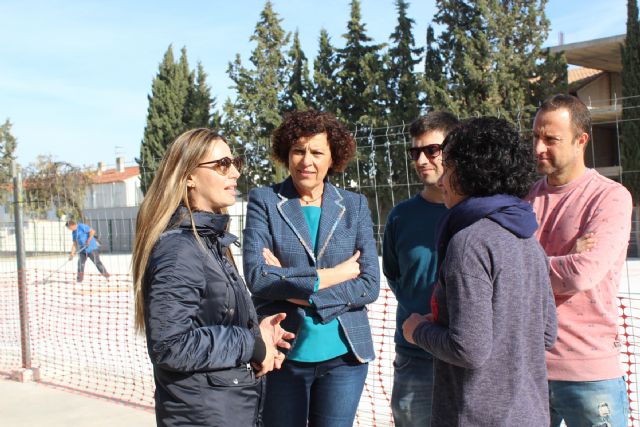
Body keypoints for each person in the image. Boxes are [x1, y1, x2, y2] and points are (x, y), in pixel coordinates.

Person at [131, 128, 294, 427]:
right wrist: (251, 344)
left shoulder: (208, 241)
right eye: (222, 164)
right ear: (189, 176)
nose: (234, 172)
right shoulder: (180, 249)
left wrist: (258, 333)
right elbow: (170, 345)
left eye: (235, 163)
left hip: (224, 408)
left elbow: (209, 320)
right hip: (203, 414)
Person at [402, 117, 558, 426]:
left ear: (470, 172)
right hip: (530, 415)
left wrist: (417, 331)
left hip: (477, 416)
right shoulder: (527, 238)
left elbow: (468, 349)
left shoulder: (469, 243)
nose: (442, 178)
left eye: (448, 167)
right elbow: (547, 333)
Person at [243, 110, 380, 427]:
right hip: (282, 355)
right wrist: (337, 275)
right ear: (286, 154)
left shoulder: (354, 204)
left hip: (344, 357)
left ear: (333, 158)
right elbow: (258, 278)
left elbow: (369, 284)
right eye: (298, 150)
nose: (306, 160)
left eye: (317, 152)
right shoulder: (264, 201)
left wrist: (293, 289)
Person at [526, 94, 633, 427]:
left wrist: (534, 264)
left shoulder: (610, 197)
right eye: (535, 137)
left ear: (580, 140)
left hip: (589, 374)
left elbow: (581, 276)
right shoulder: (524, 198)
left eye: (551, 139)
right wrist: (565, 258)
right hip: (529, 369)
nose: (538, 148)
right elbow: (505, 272)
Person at [382, 111, 459, 426]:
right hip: (415, 356)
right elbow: (395, 275)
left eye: (432, 150)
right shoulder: (401, 216)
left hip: (465, 355)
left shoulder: (477, 212)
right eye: (415, 151)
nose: (422, 159)